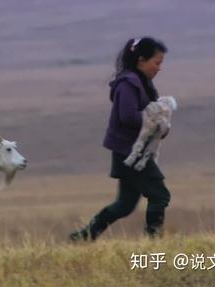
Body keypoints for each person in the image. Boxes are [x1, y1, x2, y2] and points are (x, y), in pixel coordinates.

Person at [69, 36, 171, 241]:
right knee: (160, 195)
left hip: (128, 152)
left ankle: (84, 236)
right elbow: (128, 116)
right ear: (141, 60)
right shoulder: (129, 84)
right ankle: (153, 242)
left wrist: (159, 124)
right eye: (157, 63)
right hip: (130, 154)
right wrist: (155, 119)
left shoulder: (141, 83)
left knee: (125, 204)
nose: (159, 68)